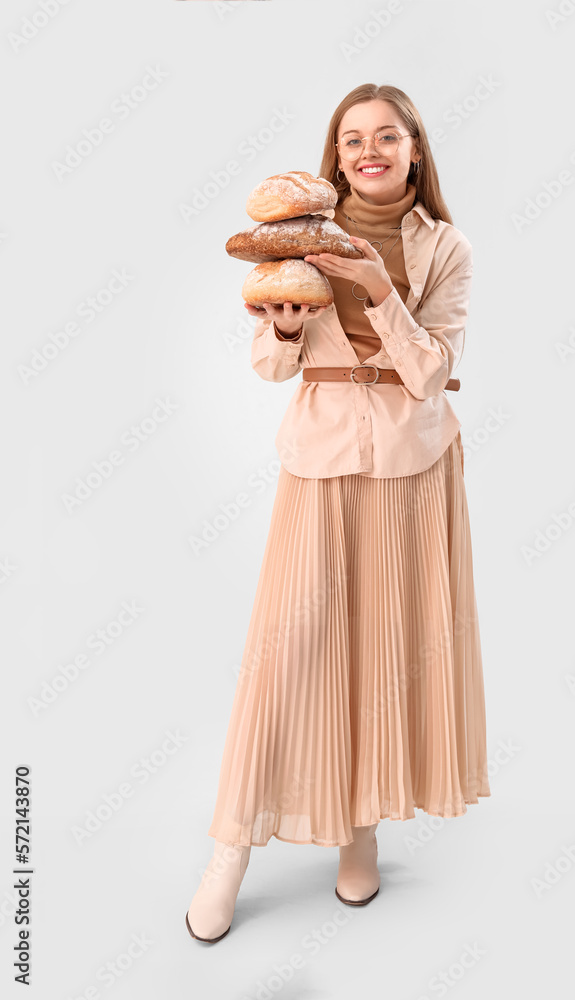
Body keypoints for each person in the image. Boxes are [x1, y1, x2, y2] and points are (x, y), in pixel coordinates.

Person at [186, 82, 491, 944]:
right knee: (286, 660)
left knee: (382, 651)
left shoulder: (448, 247)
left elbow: (432, 372)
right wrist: (283, 328)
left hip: (415, 465)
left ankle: (360, 829)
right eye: (353, 138)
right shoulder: (291, 243)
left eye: (387, 136)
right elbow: (270, 371)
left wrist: (378, 291)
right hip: (319, 464)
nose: (370, 149)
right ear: (335, 157)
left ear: (414, 152)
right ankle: (228, 851)